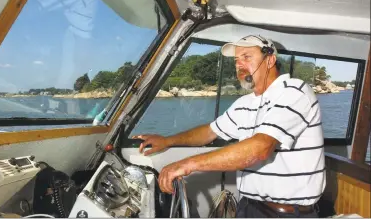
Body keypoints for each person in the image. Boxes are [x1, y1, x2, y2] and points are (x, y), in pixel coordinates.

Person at [133, 35, 325, 218]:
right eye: (236, 60)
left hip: (287, 214)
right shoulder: (246, 103)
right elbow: (209, 131)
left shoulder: (294, 91)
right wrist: (167, 140)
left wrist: (187, 164)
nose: (239, 64)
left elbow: (260, 148)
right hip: (248, 206)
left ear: (270, 60)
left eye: (247, 57)